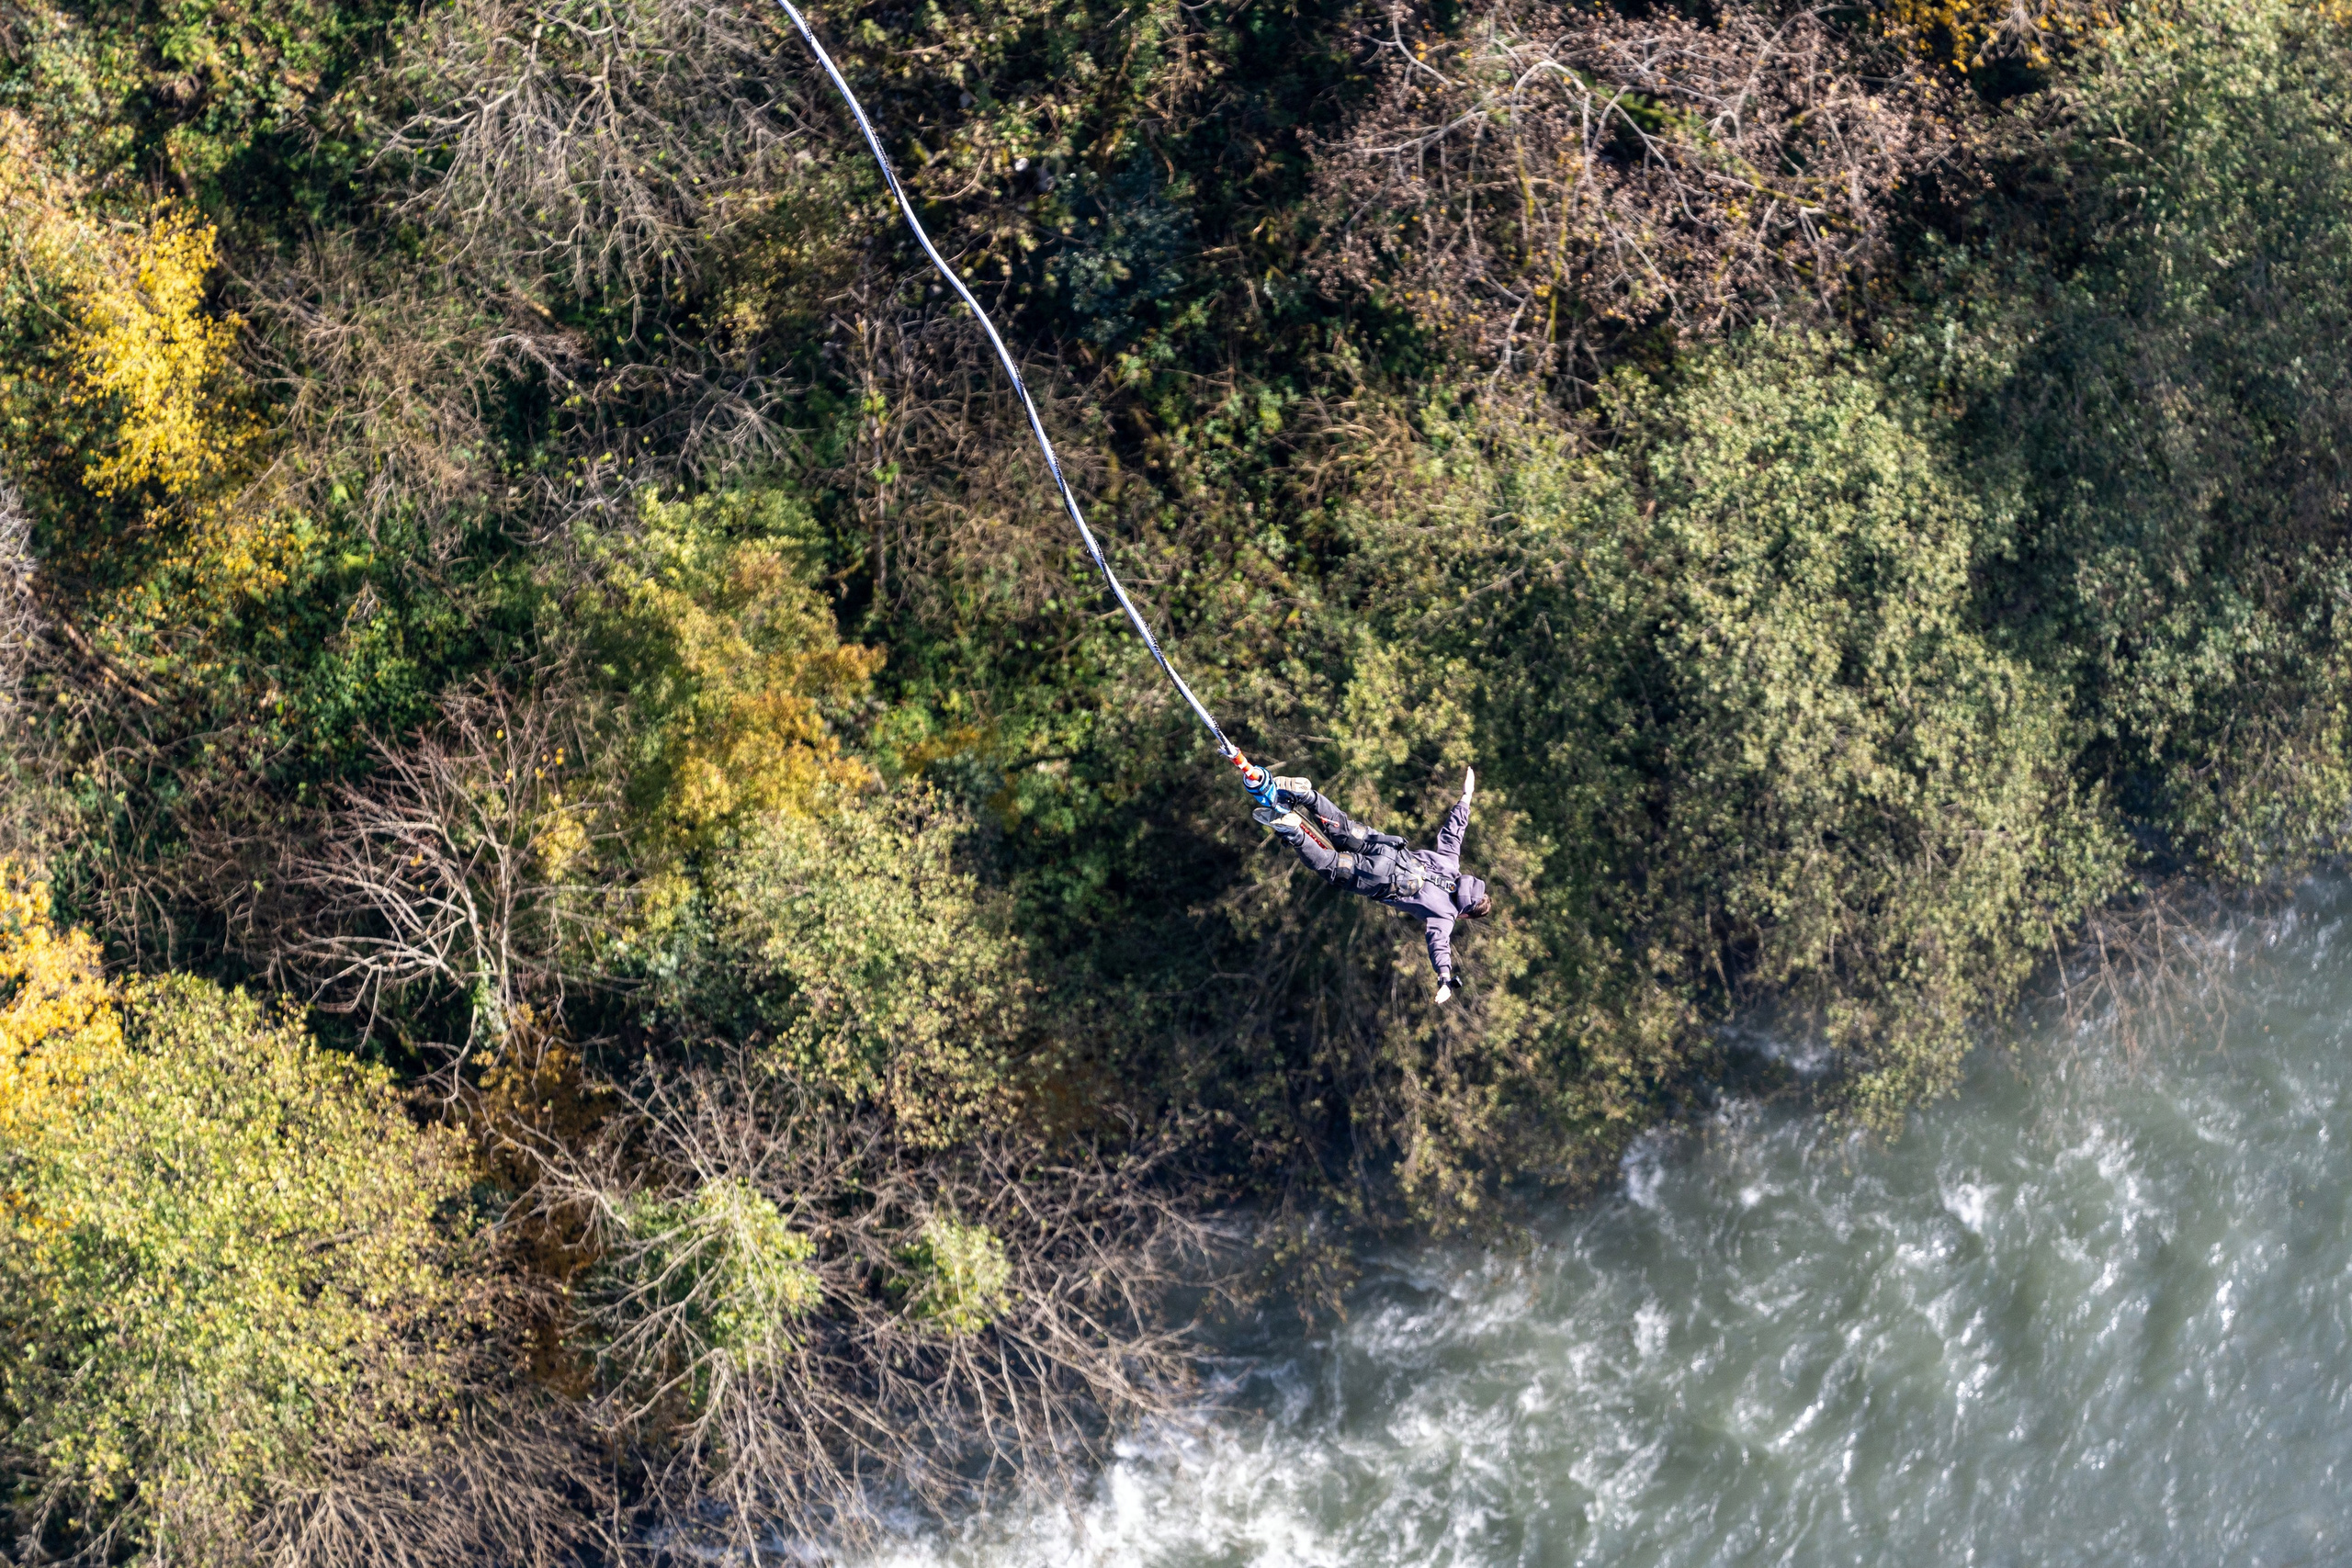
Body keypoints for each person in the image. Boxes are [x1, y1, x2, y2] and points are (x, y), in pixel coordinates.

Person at [1255, 766, 1492, 1003]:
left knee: (1344, 828)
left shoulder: (1451, 864)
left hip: (1387, 848)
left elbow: (1454, 831)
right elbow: (1439, 947)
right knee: (1330, 865)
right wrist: (1444, 979)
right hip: (1380, 878)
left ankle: (1308, 796)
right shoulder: (1446, 916)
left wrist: (1466, 796)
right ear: (1466, 914)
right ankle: (1294, 831)